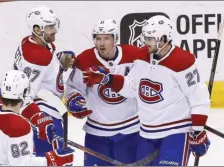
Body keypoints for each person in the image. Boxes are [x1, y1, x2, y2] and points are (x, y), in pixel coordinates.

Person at [83, 15, 211, 166]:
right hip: (146, 133)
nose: (146, 43)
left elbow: (199, 97)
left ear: (163, 39)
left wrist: (197, 131)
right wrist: (107, 79)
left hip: (176, 132)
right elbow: (131, 87)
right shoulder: (142, 56)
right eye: (146, 38)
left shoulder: (183, 61)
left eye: (150, 39)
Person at [0, 6, 75, 157]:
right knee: (50, 157)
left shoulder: (31, 42)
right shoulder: (37, 58)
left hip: (44, 101)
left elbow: (40, 71)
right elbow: (25, 94)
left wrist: (58, 65)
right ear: (38, 30)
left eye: (54, 25)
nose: (55, 30)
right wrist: (37, 117)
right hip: (43, 108)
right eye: (50, 27)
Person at [65, 19, 143, 166]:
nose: (102, 43)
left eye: (106, 38)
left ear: (115, 39)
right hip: (96, 133)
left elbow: (136, 87)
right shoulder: (85, 59)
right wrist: (74, 99)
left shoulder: (133, 55)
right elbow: (74, 87)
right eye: (98, 38)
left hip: (130, 131)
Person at [0, 70, 74, 166]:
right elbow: (23, 164)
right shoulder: (20, 127)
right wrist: (53, 159)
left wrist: (37, 117)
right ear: (24, 92)